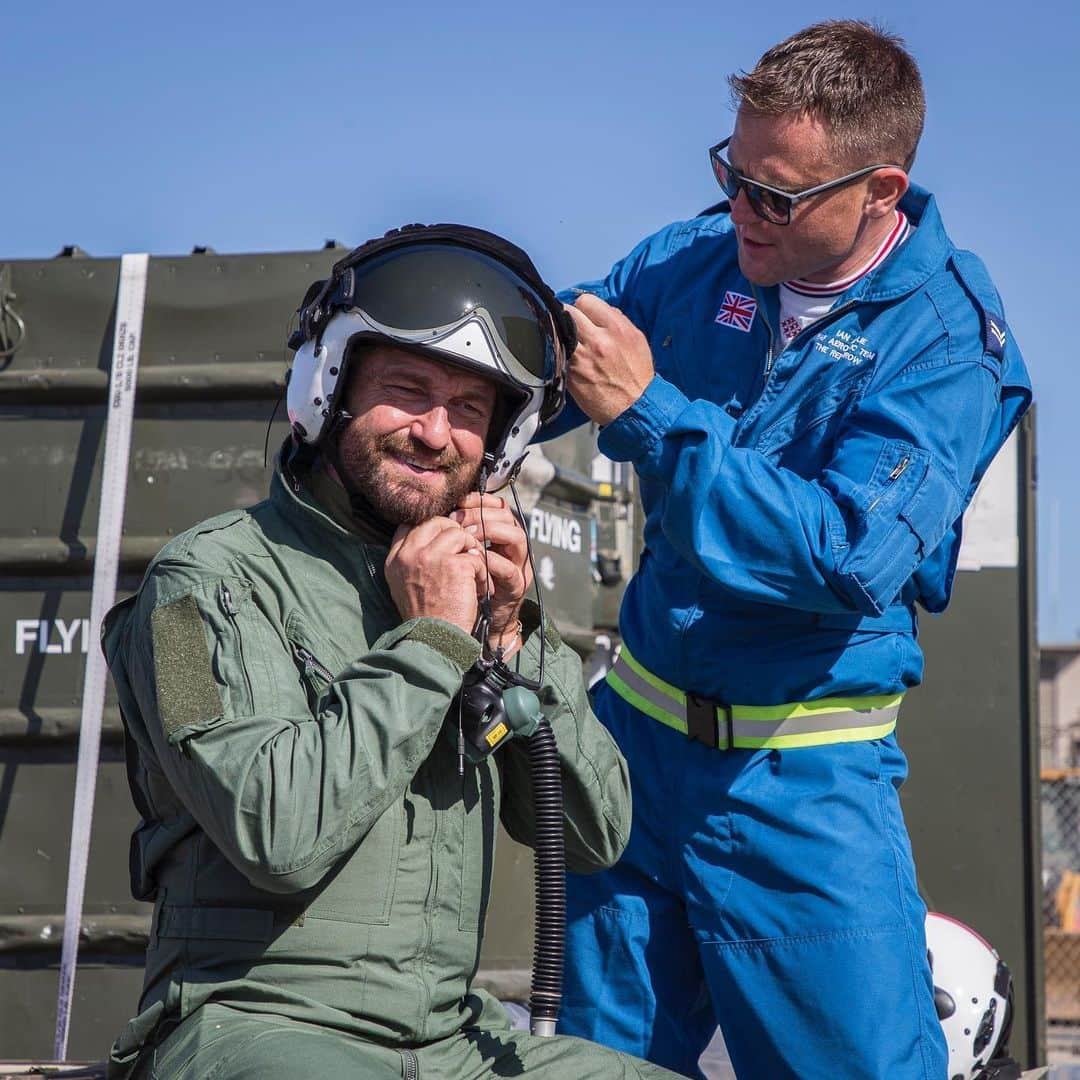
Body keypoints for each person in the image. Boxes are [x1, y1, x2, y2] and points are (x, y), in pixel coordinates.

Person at [548, 20, 1032, 1080]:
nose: (741, 212)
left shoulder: (946, 343)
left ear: (882, 189)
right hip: (634, 763)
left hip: (798, 782)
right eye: (734, 173)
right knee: (594, 1067)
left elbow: (849, 555)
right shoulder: (692, 260)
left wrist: (654, 417)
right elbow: (552, 360)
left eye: (778, 195)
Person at [101, 224, 682, 1080]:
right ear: (327, 388)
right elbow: (276, 834)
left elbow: (594, 836)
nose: (435, 432)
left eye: (472, 410)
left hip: (447, 1042)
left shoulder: (481, 597)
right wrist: (432, 643)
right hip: (252, 1025)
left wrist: (515, 636)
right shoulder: (201, 584)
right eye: (407, 391)